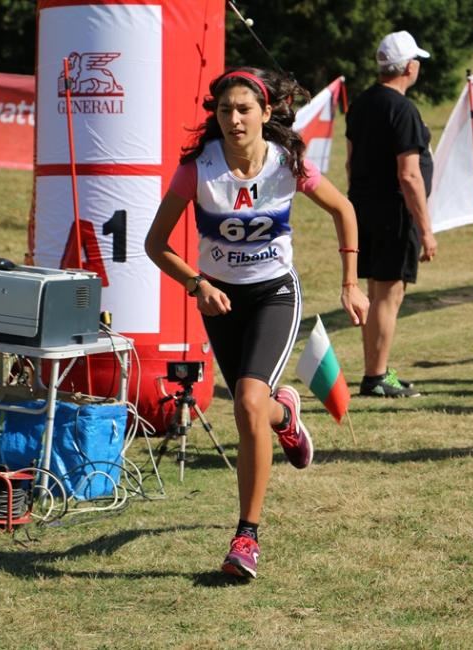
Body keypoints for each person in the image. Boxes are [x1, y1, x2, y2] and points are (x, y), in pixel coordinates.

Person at [144, 67, 369, 578]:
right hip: (220, 302)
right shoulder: (197, 170)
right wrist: (197, 284)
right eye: (225, 110)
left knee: (246, 402)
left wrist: (350, 282)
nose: (234, 119)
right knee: (254, 409)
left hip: (274, 294)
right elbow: (155, 245)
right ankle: (284, 416)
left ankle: (246, 537)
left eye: (244, 109)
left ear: (266, 113)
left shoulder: (287, 164)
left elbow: (344, 209)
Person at [345, 31, 438, 398]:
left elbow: (350, 162)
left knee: (375, 291)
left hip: (363, 207)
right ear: (409, 67)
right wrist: (426, 230)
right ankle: (376, 376)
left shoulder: (361, 103)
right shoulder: (403, 109)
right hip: (394, 212)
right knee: (389, 295)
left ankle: (376, 371)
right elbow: (409, 174)